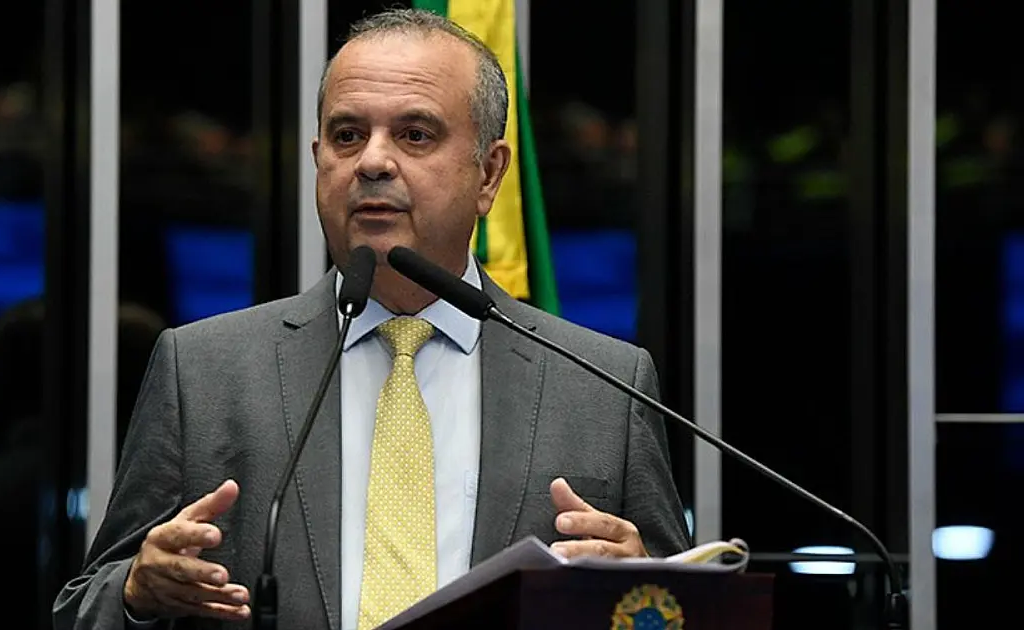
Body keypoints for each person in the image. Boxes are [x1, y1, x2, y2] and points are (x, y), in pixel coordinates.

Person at [53, 9, 689, 630]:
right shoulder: (203, 372)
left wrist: (643, 600)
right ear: (318, 159)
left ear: (489, 174)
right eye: (347, 135)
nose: (372, 162)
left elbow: (677, 607)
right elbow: (87, 606)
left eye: (415, 135)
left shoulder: (605, 387)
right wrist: (138, 593)